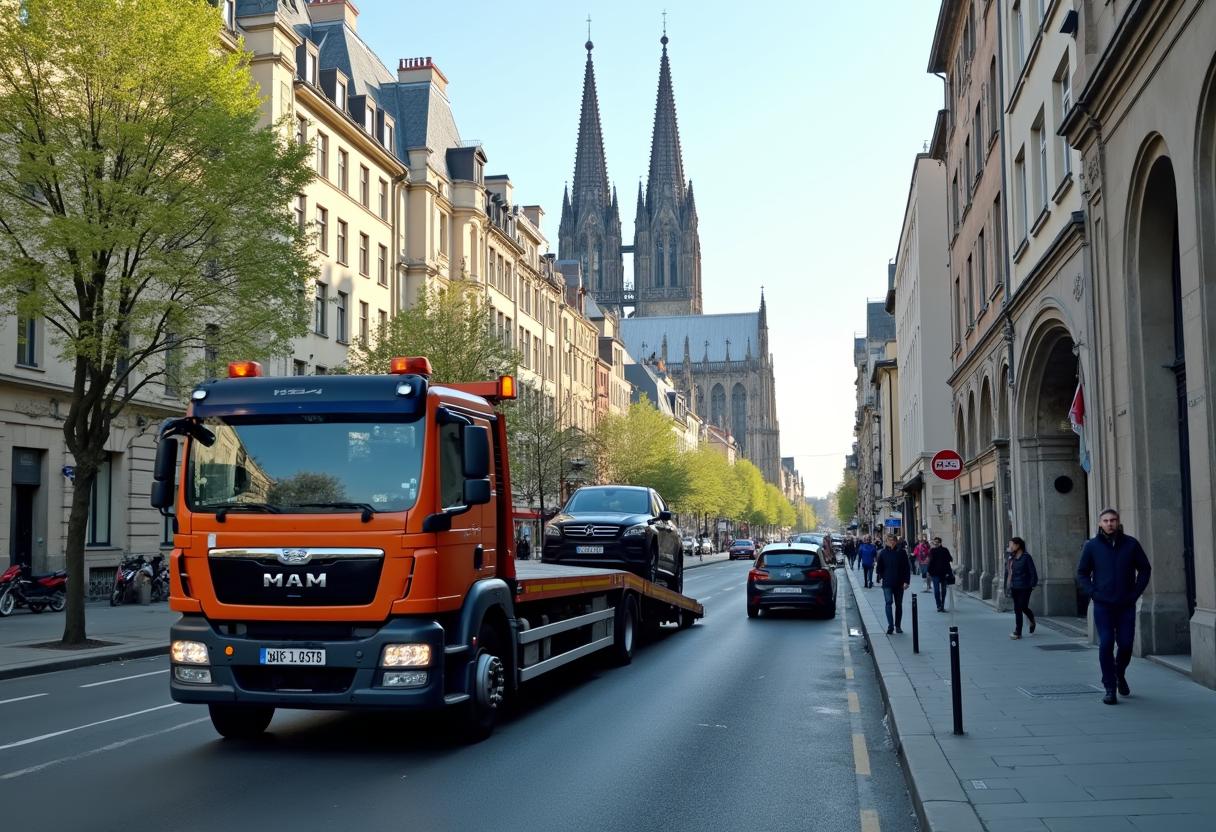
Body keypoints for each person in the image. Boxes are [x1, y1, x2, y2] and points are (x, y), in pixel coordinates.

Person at [1076, 508, 1151, 705]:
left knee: (1126, 645)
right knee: (1106, 643)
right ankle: (1110, 688)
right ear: (1100, 523)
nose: (1110, 523)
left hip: (1126, 604)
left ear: (1118, 522)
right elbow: (1082, 573)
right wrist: (1093, 593)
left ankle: (1119, 673)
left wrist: (1135, 593)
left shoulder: (1131, 544)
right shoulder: (1092, 546)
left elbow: (1145, 569)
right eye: (1106, 520)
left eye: (1113, 520)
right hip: (1103, 605)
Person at [876, 534, 911, 634]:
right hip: (887, 583)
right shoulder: (882, 553)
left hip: (899, 583)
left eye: (893, 540)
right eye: (889, 540)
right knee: (888, 603)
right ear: (886, 542)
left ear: (896, 542)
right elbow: (879, 568)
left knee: (898, 604)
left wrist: (906, 581)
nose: (891, 542)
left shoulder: (902, 552)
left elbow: (907, 568)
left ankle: (898, 626)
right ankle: (890, 626)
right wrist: (881, 576)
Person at [1005, 537, 1038, 639]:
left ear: (1018, 545)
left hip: (1025, 586)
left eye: (1012, 544)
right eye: (1009, 545)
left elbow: (1032, 571)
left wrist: (1032, 584)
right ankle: (1018, 632)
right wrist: (1007, 586)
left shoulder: (1026, 557)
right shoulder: (1011, 558)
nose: (1010, 547)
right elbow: (1008, 573)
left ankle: (1031, 619)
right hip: (1015, 586)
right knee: (1017, 609)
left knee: (1022, 606)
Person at [927, 537, 953, 612]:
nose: (935, 543)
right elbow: (930, 561)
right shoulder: (933, 550)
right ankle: (939, 605)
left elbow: (949, 559)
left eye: (937, 542)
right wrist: (928, 571)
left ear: (940, 543)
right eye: (935, 542)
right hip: (936, 573)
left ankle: (941, 605)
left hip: (943, 573)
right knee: (937, 590)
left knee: (943, 590)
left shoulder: (943, 550)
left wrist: (929, 571)